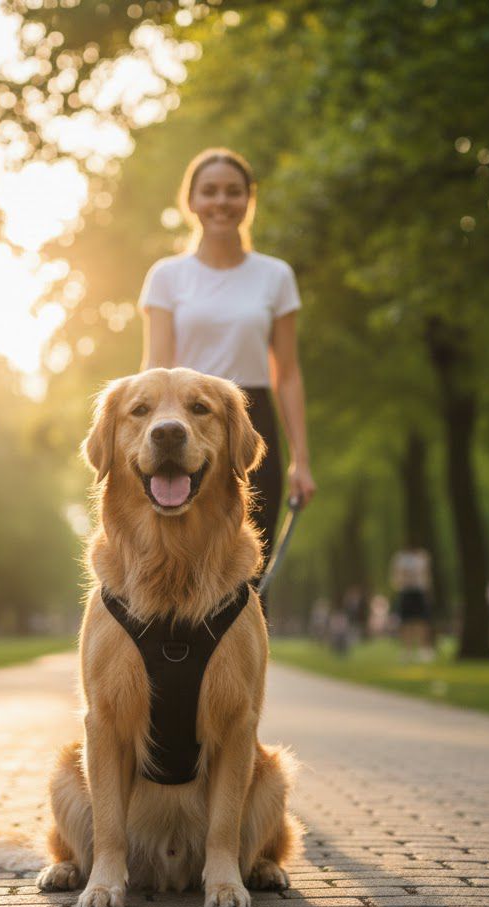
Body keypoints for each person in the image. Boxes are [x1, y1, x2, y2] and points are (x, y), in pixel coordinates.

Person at [139, 147, 316, 582]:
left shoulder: (275, 276)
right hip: (181, 422)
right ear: (192, 202)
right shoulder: (167, 276)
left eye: (234, 192)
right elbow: (153, 368)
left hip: (251, 421)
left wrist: (302, 460)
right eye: (210, 191)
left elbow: (288, 374)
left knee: (248, 570)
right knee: (184, 562)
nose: (222, 201)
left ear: (248, 201)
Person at [390, 547, 434, 661]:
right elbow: (396, 576)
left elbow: (426, 575)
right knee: (406, 622)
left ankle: (423, 649)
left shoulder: (422, 556)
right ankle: (406, 650)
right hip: (405, 591)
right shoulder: (399, 557)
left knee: (422, 621)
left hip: (419, 591)